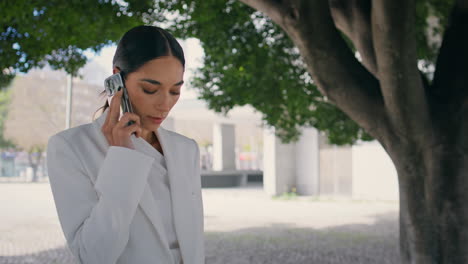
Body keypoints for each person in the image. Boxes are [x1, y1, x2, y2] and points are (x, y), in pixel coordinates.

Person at [46, 25, 204, 264]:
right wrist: (123, 158)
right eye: (150, 89)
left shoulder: (186, 149)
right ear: (117, 78)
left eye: (175, 91)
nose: (165, 104)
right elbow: (93, 255)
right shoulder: (70, 148)